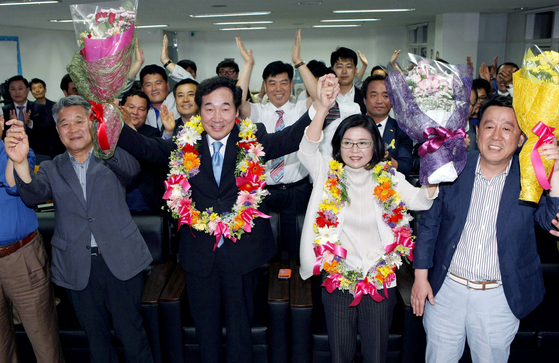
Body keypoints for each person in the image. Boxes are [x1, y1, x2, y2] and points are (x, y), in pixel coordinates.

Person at [114, 76, 313, 363]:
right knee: (205, 333)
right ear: (199, 111)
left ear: (236, 110)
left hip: (242, 254)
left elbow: (290, 138)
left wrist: (319, 105)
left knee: (240, 332)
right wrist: (107, 115)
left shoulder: (251, 138)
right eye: (209, 108)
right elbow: (145, 147)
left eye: (224, 108)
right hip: (199, 256)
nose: (217, 117)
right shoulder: (186, 144)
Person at [299, 74, 438, 363]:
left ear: (375, 146)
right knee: (341, 355)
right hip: (337, 279)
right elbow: (306, 149)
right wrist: (322, 108)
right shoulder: (327, 174)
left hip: (379, 278)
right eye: (348, 144)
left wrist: (433, 179)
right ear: (338, 146)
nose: (355, 150)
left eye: (363, 143)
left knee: (376, 355)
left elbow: (419, 200)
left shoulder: (387, 176)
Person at [5, 96, 154, 363]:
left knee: (132, 336)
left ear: (92, 123)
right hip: (76, 265)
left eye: (79, 121)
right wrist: (18, 163)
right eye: (64, 124)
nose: (72, 129)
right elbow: (32, 195)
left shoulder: (109, 156)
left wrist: (107, 139)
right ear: (57, 131)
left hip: (120, 261)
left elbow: (132, 172)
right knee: (96, 341)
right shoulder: (52, 166)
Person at [410, 95, 559, 363]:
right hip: (445, 292)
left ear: (521, 138)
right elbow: (429, 225)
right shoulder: (453, 170)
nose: (496, 136)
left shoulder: (529, 179)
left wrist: (556, 171)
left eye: (507, 128)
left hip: (499, 296)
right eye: (489, 126)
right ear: (477, 132)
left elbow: (552, 222)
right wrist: (420, 278)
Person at [0, 115, 64, 363]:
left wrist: (14, 153)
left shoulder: (19, 149)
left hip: (21, 257)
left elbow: (13, 185)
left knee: (45, 343)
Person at [361, 75, 413, 177]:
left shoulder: (402, 130)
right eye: (374, 95)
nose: (380, 101)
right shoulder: (351, 126)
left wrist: (387, 159)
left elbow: (405, 167)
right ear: (364, 100)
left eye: (385, 96)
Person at [2, 75, 52, 159]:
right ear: (9, 91)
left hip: (38, 153)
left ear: (28, 90)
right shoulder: (4, 111)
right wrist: (12, 126)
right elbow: (2, 136)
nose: (17, 92)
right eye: (13, 89)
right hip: (12, 155)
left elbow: (47, 131)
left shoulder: (39, 108)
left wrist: (30, 123)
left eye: (20, 88)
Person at [330, 47, 366, 114]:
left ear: (355, 71)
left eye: (349, 67)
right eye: (339, 67)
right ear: (332, 70)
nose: (344, 71)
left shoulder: (364, 97)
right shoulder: (325, 96)